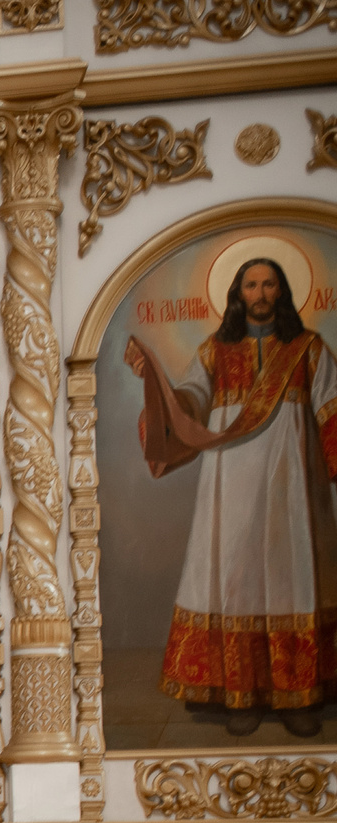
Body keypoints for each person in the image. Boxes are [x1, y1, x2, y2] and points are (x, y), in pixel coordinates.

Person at [128, 255, 337, 739]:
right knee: (235, 578)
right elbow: (189, 403)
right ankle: (241, 695)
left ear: (282, 292)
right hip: (231, 487)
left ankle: (295, 697)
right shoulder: (214, 352)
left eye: (269, 285)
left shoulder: (308, 349)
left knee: (292, 577)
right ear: (237, 294)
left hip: (293, 487)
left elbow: (330, 403)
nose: (260, 293)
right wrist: (155, 385)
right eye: (251, 285)